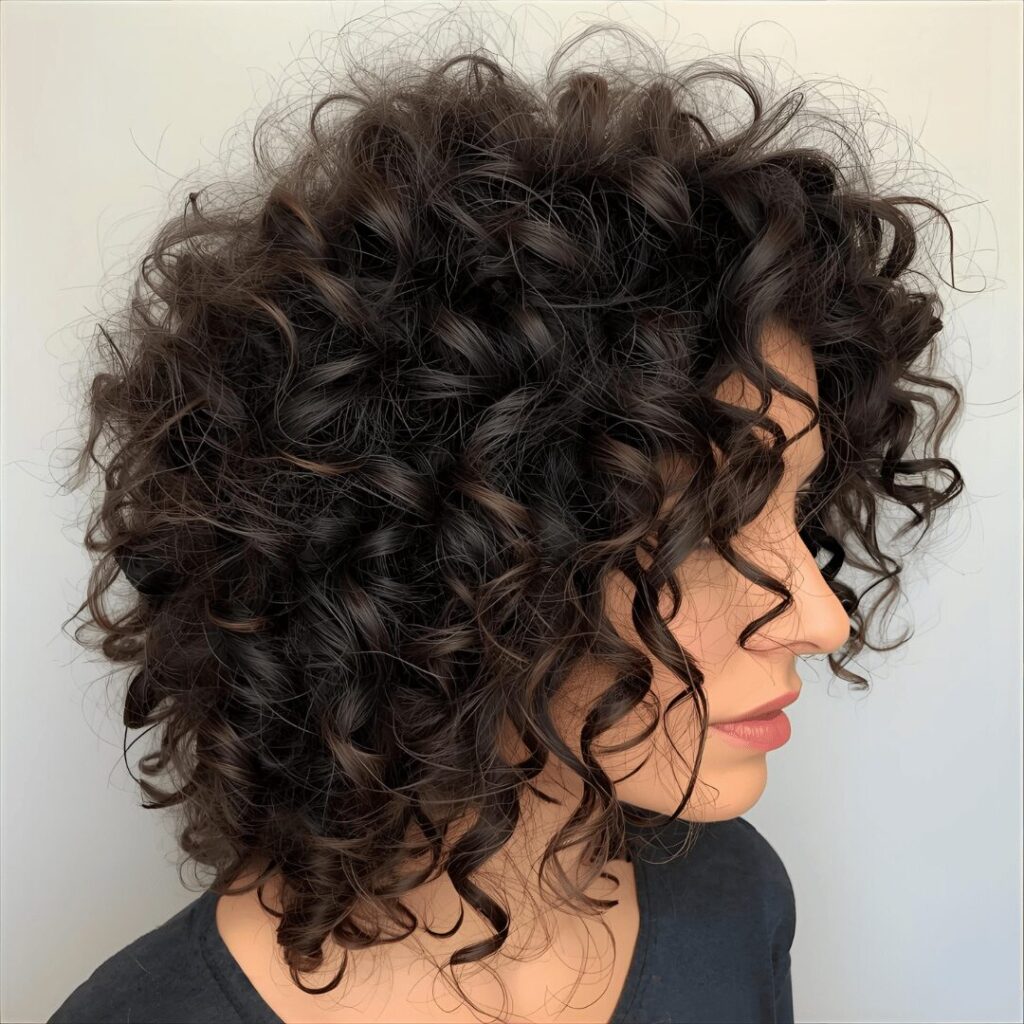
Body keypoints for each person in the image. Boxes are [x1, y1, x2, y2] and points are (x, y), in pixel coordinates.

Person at [50, 20, 964, 1024]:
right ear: (447, 561)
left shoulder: (730, 897)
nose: (823, 618)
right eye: (707, 526)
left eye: (798, 502)